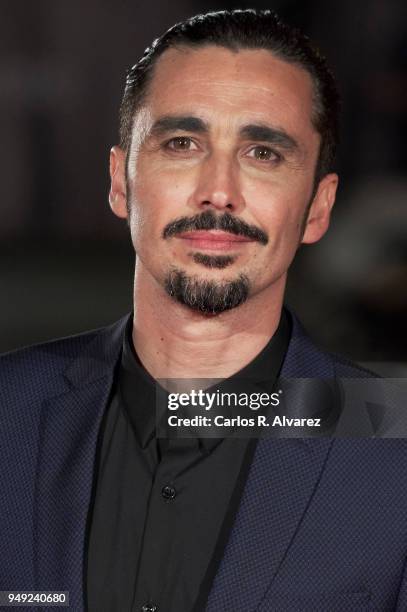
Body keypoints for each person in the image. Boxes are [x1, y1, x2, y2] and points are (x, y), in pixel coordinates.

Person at [1, 9, 406, 612]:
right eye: (182, 143)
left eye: (264, 152)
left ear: (318, 208)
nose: (219, 190)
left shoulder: (395, 444)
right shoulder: (8, 409)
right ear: (120, 181)